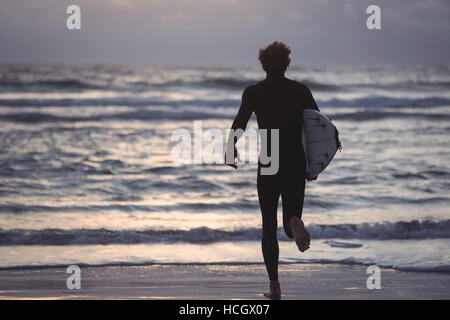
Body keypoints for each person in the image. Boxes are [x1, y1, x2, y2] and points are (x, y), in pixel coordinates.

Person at [225, 41, 319, 300]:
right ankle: (295, 223)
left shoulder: (254, 92)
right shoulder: (300, 90)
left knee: (268, 225)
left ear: (263, 65)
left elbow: (240, 123)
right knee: (290, 217)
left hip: (269, 157)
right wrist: (316, 163)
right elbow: (317, 127)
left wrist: (230, 148)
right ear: (287, 63)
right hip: (295, 158)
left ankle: (275, 286)